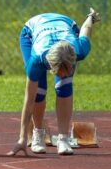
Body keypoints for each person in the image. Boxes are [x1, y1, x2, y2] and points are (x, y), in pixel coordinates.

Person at [7, 9, 100, 156]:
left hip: (66, 26)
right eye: (59, 71)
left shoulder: (78, 50)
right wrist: (22, 138)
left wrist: (90, 17)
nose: (63, 74)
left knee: (64, 86)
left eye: (67, 69)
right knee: (39, 91)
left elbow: (86, 29)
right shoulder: (37, 59)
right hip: (31, 31)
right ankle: (38, 134)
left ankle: (63, 139)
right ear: (51, 66)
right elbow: (28, 100)